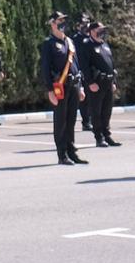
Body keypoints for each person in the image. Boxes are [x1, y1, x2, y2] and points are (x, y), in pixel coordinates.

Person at [40, 13, 86, 166]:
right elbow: (46, 68)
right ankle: (62, 154)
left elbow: (77, 66)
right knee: (61, 120)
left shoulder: (70, 42)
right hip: (59, 86)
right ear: (52, 23)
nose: (63, 23)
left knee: (71, 120)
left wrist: (81, 87)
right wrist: (50, 90)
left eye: (64, 20)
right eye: (59, 20)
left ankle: (72, 152)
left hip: (73, 85)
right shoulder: (49, 43)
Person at [77, 19, 120, 148]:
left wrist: (113, 81)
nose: (102, 32)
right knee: (96, 111)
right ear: (92, 31)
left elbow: (111, 64)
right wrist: (90, 82)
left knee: (107, 110)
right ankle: (99, 137)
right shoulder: (87, 45)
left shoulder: (104, 44)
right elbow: (84, 66)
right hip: (96, 83)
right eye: (99, 30)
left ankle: (107, 135)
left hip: (108, 81)